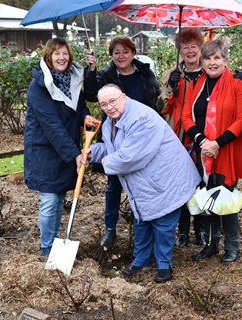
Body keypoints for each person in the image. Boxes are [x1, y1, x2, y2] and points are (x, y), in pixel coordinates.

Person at [88, 84, 200, 283]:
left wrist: (106, 162)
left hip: (166, 180)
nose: (109, 107)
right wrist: (92, 154)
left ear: (124, 97)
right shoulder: (110, 122)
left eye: (112, 101)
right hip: (145, 183)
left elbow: (130, 157)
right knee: (142, 220)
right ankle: (141, 259)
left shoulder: (142, 119)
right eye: (104, 104)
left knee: (163, 224)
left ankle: (164, 265)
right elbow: (111, 147)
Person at [84, 35, 162, 247]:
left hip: (143, 138)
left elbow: (156, 98)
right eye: (116, 52)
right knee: (114, 186)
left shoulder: (145, 72)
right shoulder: (105, 75)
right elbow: (91, 94)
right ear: (111, 56)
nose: (121, 56)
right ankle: (110, 230)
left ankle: (148, 228)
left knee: (147, 184)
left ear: (133, 53)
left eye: (125, 52)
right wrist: (90, 70)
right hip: (115, 137)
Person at [24, 38, 96, 256]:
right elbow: (52, 126)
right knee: (49, 200)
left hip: (66, 147)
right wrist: (74, 154)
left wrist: (85, 117)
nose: (61, 58)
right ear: (48, 57)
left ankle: (55, 242)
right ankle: (47, 248)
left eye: (65, 53)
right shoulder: (39, 86)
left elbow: (79, 105)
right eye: (56, 54)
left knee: (59, 199)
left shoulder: (72, 80)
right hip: (45, 150)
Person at [181, 39, 242, 263]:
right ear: (202, 61)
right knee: (207, 196)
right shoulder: (196, 84)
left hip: (226, 150)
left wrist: (217, 143)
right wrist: (202, 140)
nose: (212, 62)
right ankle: (211, 244)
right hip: (202, 151)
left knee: (225, 197)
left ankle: (232, 246)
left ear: (225, 60)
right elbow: (185, 117)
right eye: (208, 58)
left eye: (216, 58)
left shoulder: (237, 84)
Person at [156, 28, 207, 248]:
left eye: (193, 46)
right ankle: (183, 230)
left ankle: (202, 230)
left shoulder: (210, 72)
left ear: (200, 48)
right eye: (184, 47)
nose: (189, 51)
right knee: (182, 185)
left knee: (204, 183)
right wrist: (170, 89)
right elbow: (161, 108)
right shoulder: (172, 75)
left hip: (205, 136)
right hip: (180, 137)